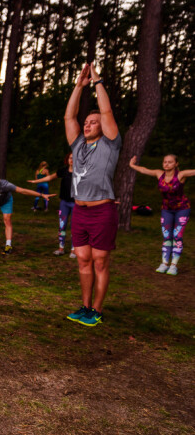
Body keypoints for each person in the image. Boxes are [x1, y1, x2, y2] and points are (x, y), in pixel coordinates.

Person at [63, 62, 122, 327]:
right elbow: (69, 118)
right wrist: (78, 86)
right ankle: (85, 306)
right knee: (83, 260)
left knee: (100, 261)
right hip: (79, 211)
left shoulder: (110, 143)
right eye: (87, 122)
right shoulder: (77, 144)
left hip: (102, 211)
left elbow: (107, 110)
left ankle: (97, 310)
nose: (87, 125)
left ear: (103, 126)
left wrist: (96, 80)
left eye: (93, 122)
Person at [129, 154, 193, 275]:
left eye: (170, 162)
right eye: (165, 162)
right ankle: (164, 264)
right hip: (166, 209)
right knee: (166, 236)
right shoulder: (159, 174)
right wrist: (132, 165)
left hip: (182, 209)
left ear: (176, 164)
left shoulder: (181, 175)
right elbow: (144, 170)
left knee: (177, 236)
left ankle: (173, 266)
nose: (166, 164)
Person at [28, 153, 76, 258]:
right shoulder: (63, 171)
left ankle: (74, 250)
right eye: (70, 158)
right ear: (67, 160)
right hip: (64, 202)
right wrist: (36, 181)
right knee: (62, 225)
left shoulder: (82, 171)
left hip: (77, 203)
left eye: (75, 157)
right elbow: (49, 178)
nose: (72, 160)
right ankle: (61, 248)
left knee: (75, 227)